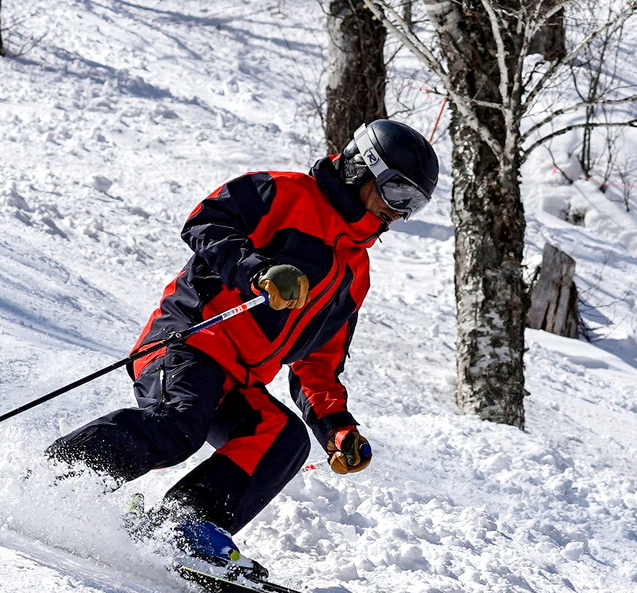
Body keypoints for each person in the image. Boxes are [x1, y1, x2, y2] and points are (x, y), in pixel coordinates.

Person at [47, 119, 439, 568]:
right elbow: (206, 220)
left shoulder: (356, 269)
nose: (400, 212)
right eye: (398, 194)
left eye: (415, 205)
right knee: (180, 425)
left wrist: (337, 429)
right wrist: (256, 270)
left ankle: (184, 526)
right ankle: (53, 480)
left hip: (239, 379)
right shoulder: (285, 194)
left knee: (285, 440)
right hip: (189, 341)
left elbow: (319, 361)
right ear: (361, 168)